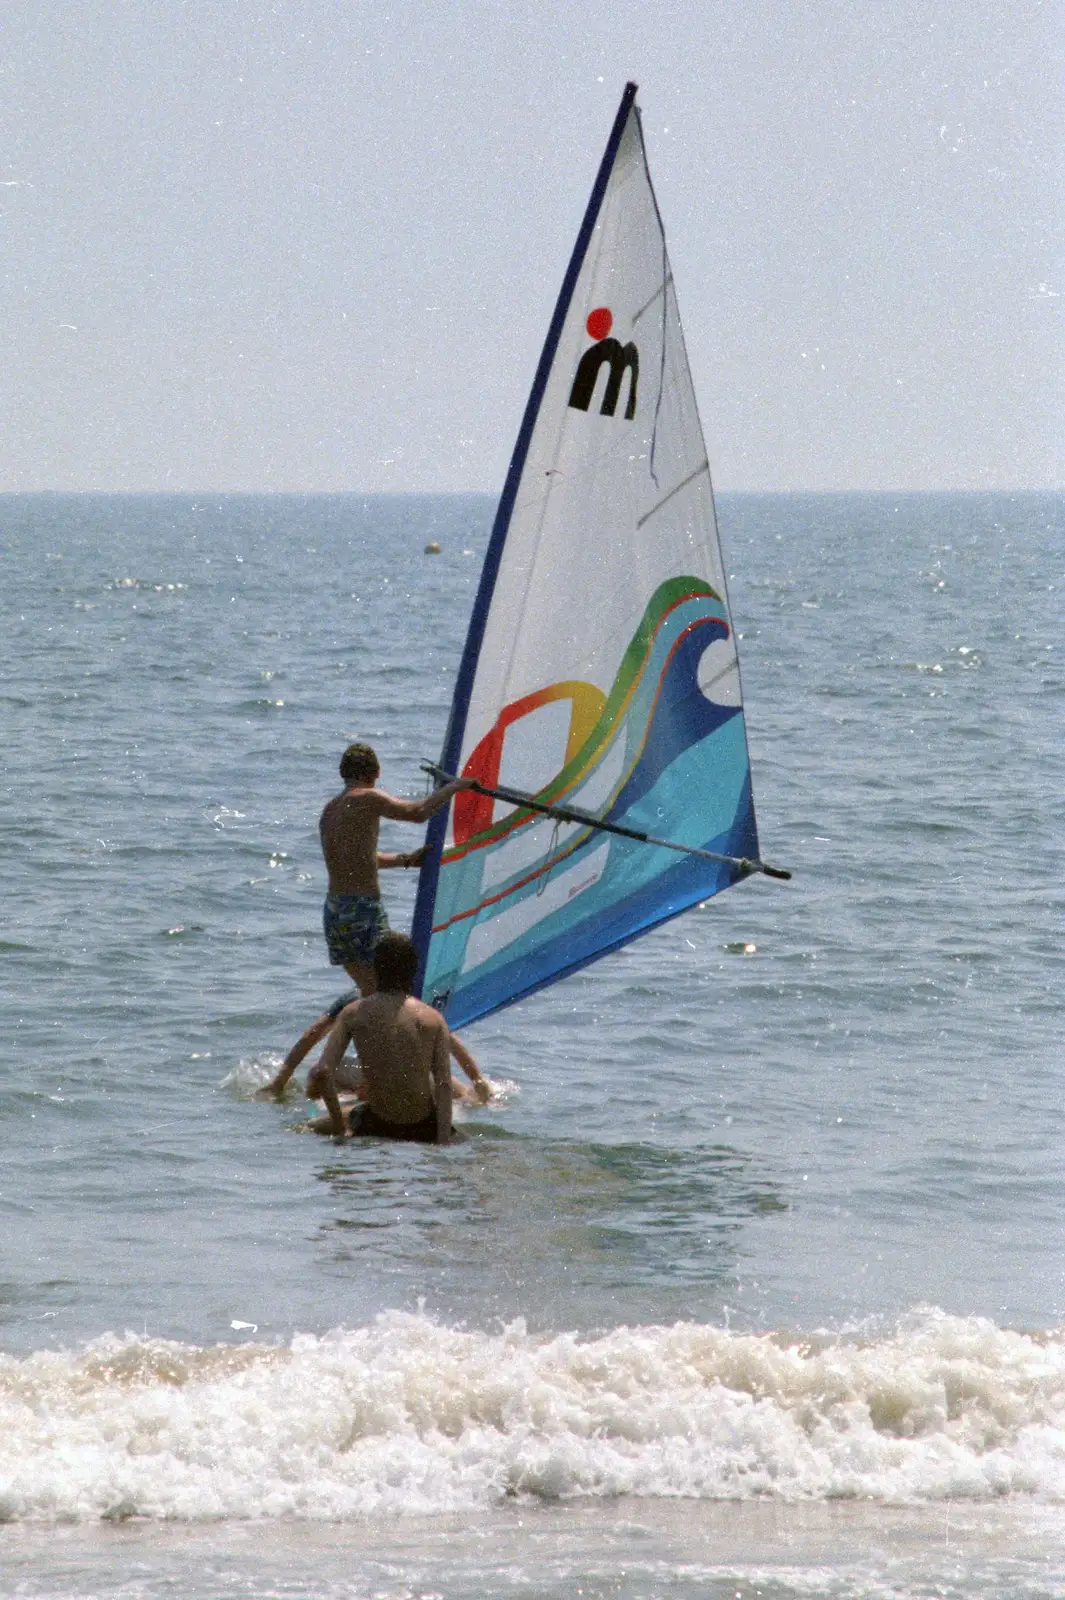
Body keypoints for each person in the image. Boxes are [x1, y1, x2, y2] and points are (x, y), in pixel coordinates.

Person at [319, 742, 474, 997]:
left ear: (343, 773)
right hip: (362, 909)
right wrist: (454, 788)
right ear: (376, 773)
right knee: (391, 991)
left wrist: (405, 860)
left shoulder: (330, 810)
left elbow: (358, 858)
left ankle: (358, 1031)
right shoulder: (368, 797)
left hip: (335, 911)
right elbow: (417, 812)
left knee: (371, 992)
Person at [311, 932, 455, 1144]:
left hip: (375, 1123)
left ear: (375, 970)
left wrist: (340, 1129)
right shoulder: (433, 1019)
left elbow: (322, 1072)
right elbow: (444, 1085)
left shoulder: (353, 1013)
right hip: (423, 1127)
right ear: (414, 971)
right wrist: (442, 1140)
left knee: (301, 1128)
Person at [263, 986, 491, 1105]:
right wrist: (479, 1081)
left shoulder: (371, 999)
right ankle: (354, 1096)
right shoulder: (360, 998)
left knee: (319, 1076)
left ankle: (353, 1097)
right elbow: (311, 1036)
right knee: (316, 1077)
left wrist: (279, 1082)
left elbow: (312, 1036)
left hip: (398, 1076)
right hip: (394, 1076)